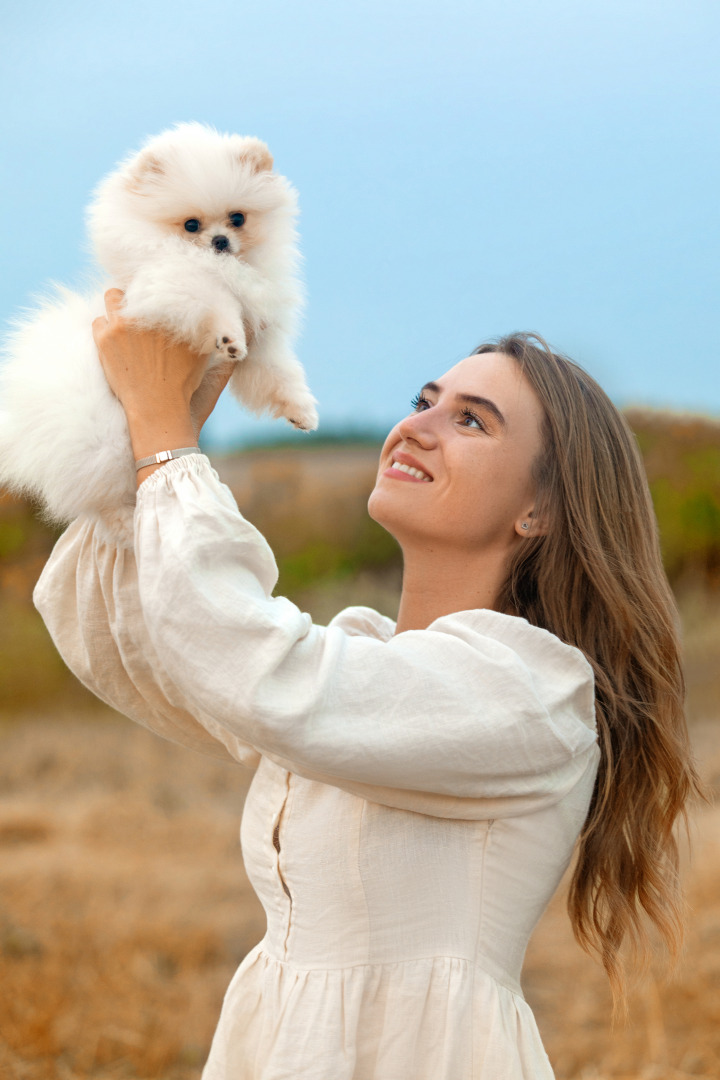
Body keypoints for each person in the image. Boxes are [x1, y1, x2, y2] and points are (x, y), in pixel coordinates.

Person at [34, 291, 702, 1080]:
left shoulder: (529, 692)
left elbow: (248, 662)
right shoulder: (367, 662)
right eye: (424, 401)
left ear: (540, 509)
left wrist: (167, 442)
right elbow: (122, 635)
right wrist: (141, 437)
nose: (416, 425)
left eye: (471, 420)